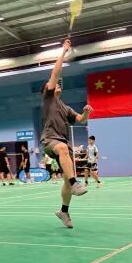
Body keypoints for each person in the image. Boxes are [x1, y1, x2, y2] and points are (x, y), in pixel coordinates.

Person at [42, 39, 93, 229]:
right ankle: (74, 182)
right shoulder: (48, 99)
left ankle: (64, 211)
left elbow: (80, 119)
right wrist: (64, 51)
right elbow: (55, 73)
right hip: (50, 139)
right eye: (53, 84)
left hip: (63, 143)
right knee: (63, 149)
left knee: (65, 179)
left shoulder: (65, 107)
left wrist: (86, 112)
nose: (56, 84)